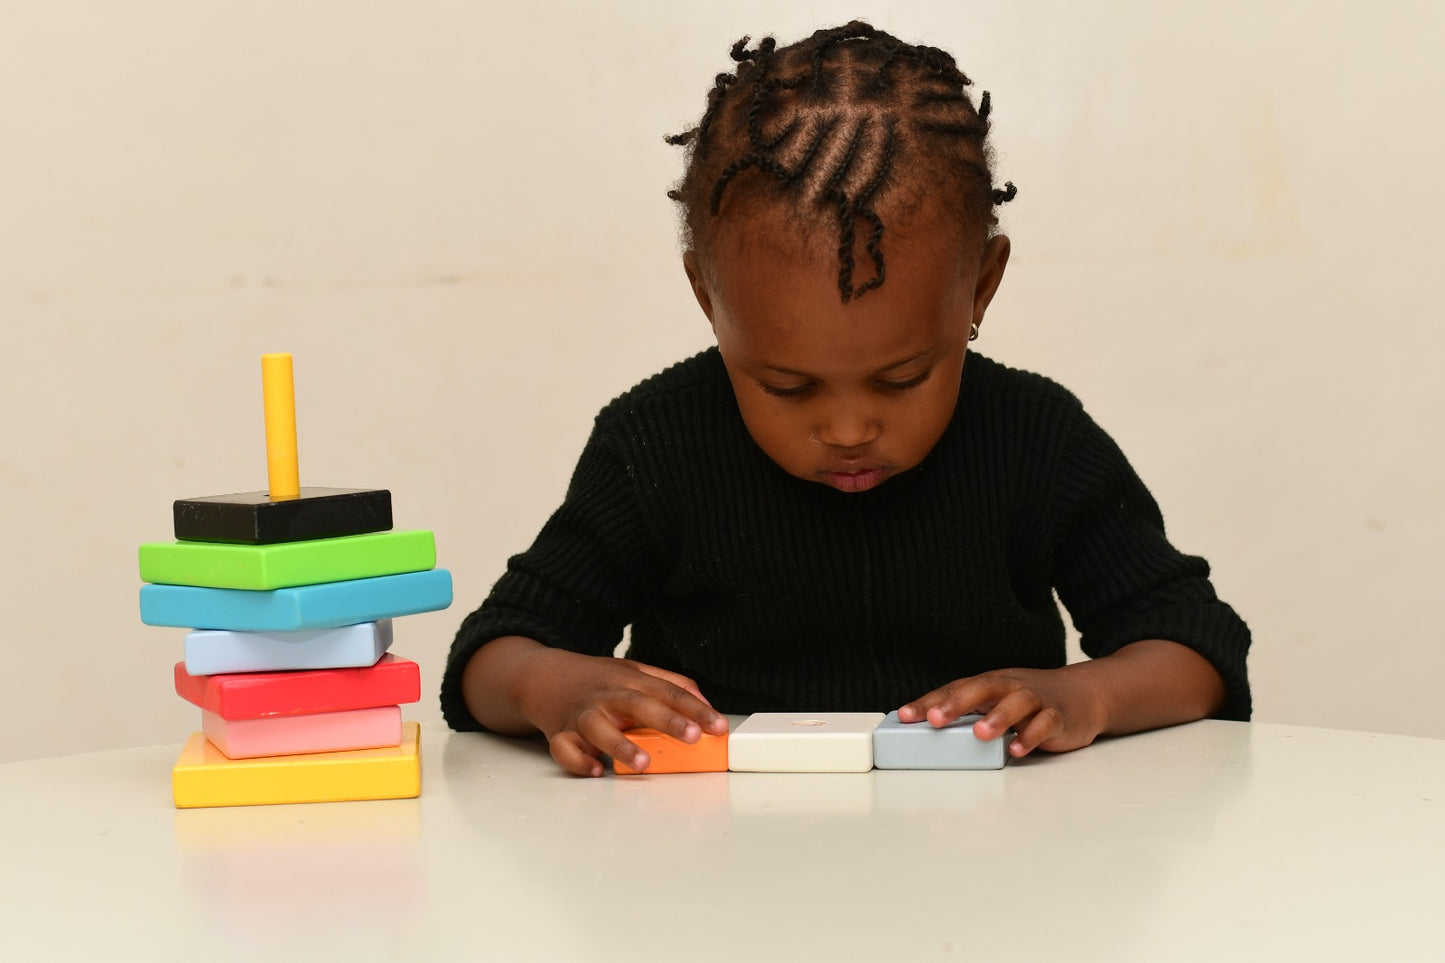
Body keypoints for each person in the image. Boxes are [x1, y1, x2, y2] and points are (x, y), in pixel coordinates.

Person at [440, 21, 1251, 776]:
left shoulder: (1037, 439)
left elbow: (1197, 651)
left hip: (989, 865)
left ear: (982, 285)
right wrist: (556, 688)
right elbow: (492, 657)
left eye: (903, 378)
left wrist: (1088, 695)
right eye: (786, 386)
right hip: (712, 868)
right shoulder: (651, 445)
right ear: (706, 299)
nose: (849, 428)